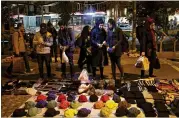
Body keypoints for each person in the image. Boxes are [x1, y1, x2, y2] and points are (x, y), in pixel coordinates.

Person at [105, 19, 124, 86]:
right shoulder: (108, 31)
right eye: (108, 24)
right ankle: (114, 76)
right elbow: (107, 39)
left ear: (112, 24)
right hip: (110, 49)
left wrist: (115, 46)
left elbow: (121, 40)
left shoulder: (118, 30)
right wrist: (106, 44)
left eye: (109, 24)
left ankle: (122, 75)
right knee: (112, 64)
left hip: (117, 49)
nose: (108, 25)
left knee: (118, 63)